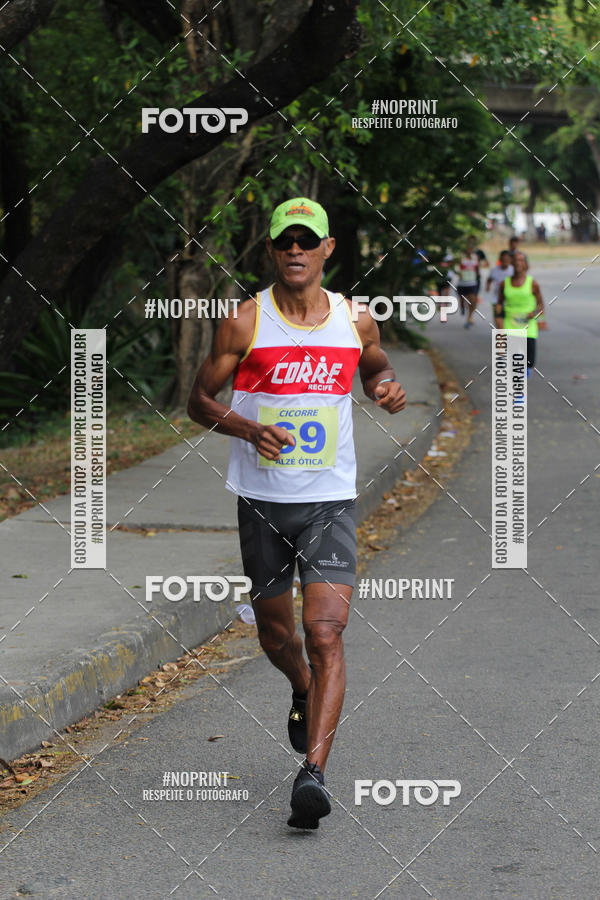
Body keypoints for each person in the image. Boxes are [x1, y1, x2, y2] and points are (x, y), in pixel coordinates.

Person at [187, 196, 406, 829]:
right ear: (272, 250)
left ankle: (313, 773)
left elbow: (377, 366)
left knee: (326, 632)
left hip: (329, 500)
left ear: (327, 249)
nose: (296, 251)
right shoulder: (244, 323)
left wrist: (384, 385)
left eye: (308, 241)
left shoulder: (355, 320)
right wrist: (244, 428)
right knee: (277, 636)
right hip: (262, 504)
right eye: (286, 242)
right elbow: (198, 400)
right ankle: (303, 689)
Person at [495, 250, 544, 376]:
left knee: (528, 364)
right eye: (515, 260)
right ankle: (518, 394)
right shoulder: (504, 284)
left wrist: (534, 313)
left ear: (526, 264)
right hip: (510, 327)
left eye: (521, 260)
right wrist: (499, 323)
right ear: (511, 263)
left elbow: (541, 306)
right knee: (514, 363)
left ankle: (519, 389)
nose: (518, 263)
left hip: (529, 329)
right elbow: (499, 304)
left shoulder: (533, 283)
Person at [456, 234, 488, 328]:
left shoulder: (477, 254)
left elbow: (483, 264)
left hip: (473, 282)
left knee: (473, 300)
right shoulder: (461, 255)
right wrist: (459, 272)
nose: (471, 245)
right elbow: (457, 265)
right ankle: (462, 306)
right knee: (462, 299)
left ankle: (469, 317)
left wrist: (478, 272)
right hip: (462, 282)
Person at [486, 250, 513, 318]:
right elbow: (489, 279)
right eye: (504, 259)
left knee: (507, 325)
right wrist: (488, 286)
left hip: (510, 301)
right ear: (500, 259)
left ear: (510, 260)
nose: (505, 261)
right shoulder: (494, 270)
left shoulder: (513, 270)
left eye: (507, 259)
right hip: (497, 301)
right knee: (499, 326)